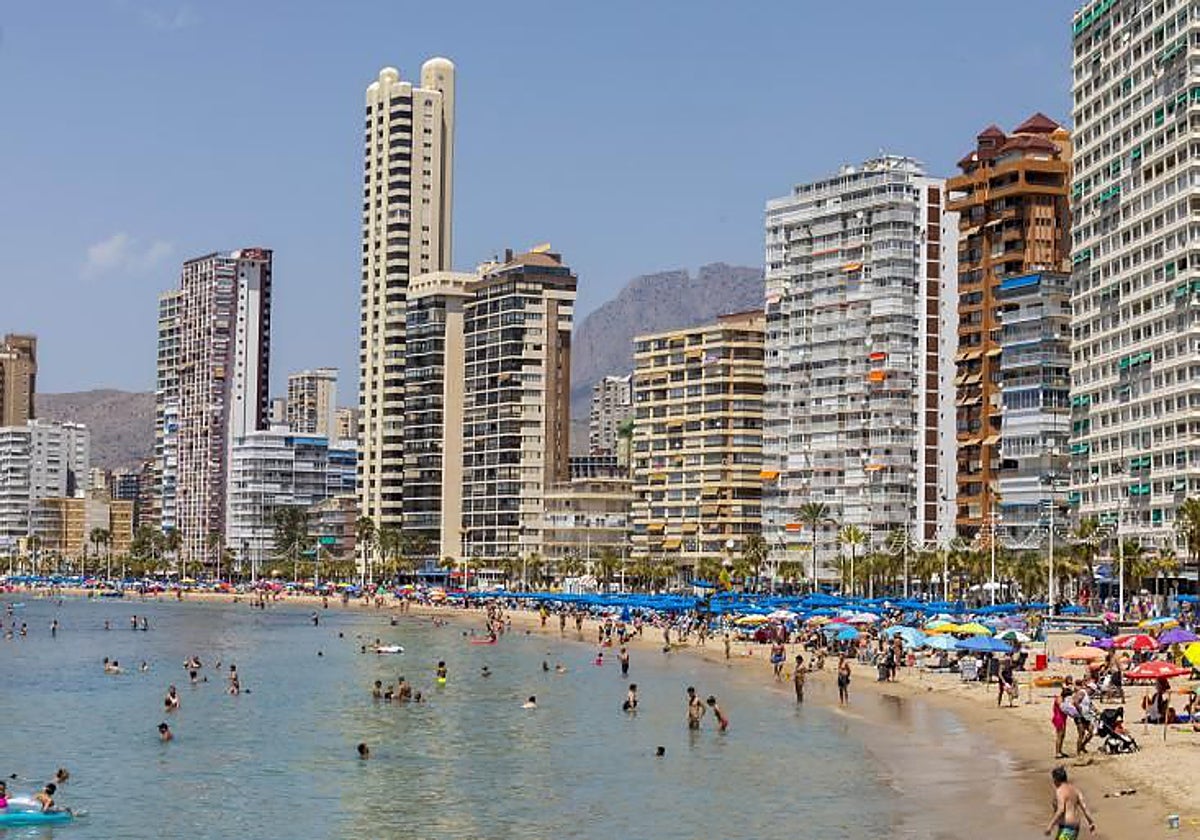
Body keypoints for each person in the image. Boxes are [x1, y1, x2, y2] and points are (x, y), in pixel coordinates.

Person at [1044, 766, 1096, 839]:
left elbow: (1061, 810)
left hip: (1066, 827)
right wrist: (1091, 822)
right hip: (1075, 827)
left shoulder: (1060, 791)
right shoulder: (1076, 790)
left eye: (1053, 779)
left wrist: (1050, 826)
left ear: (1056, 779)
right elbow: (1084, 808)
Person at [1052, 688, 1070, 759]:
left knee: (1062, 735)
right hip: (1059, 718)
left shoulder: (1063, 699)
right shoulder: (1059, 699)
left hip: (1062, 718)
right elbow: (1062, 707)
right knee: (1059, 735)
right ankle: (1057, 752)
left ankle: (1060, 751)